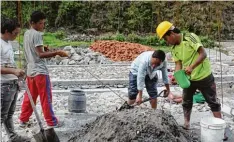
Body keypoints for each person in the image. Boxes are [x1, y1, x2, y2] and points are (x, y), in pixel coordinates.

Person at [156, 21, 227, 140]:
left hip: (204, 76)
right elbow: (178, 64)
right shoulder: (174, 49)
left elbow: (203, 54)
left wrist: (192, 66)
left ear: (172, 33)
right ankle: (186, 124)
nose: (166, 42)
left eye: (165, 38)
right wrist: (177, 76)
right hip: (189, 79)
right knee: (186, 101)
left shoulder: (190, 38)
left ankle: (221, 130)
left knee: (213, 102)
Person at [19, 11, 68, 128]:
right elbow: (40, 54)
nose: (43, 26)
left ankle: (23, 119)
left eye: (43, 23)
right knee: (46, 97)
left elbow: (34, 49)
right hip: (40, 72)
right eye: (40, 23)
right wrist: (57, 52)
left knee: (30, 97)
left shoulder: (26, 33)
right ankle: (52, 122)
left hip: (30, 71)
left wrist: (43, 48)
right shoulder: (37, 35)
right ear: (33, 23)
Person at [1, 17, 30, 142]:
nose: (16, 36)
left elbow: (8, 63)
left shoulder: (7, 42)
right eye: (15, 33)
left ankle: (12, 137)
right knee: (1, 116)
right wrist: (14, 71)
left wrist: (18, 72)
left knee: (9, 115)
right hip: (3, 84)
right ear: (7, 31)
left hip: (12, 83)